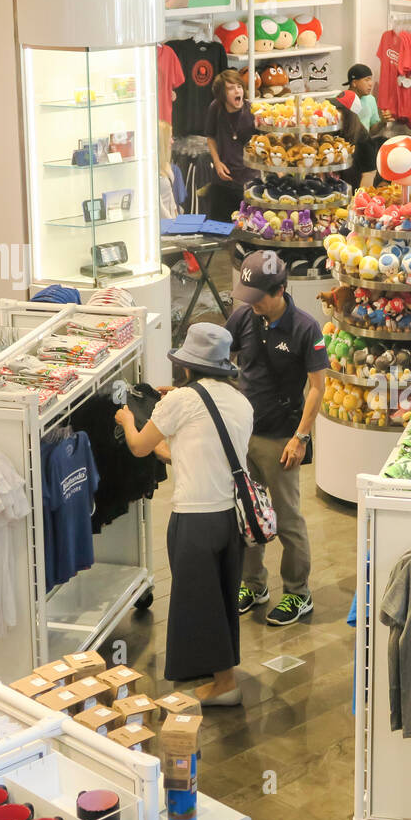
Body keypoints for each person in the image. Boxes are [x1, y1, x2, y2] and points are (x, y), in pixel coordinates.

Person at [114, 323, 253, 703]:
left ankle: (225, 685)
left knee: (197, 600)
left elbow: (142, 448)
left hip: (194, 518)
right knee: (220, 597)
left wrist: (128, 420)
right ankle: (216, 672)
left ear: (187, 367)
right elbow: (191, 451)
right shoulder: (241, 402)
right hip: (231, 517)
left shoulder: (179, 402)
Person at [226, 252, 328, 626]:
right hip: (242, 435)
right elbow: (223, 360)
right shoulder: (243, 317)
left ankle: (298, 593)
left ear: (281, 290)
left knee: (286, 519)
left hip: (281, 438)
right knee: (247, 513)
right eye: (247, 295)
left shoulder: (305, 327)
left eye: (258, 296)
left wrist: (301, 437)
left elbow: (317, 387)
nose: (251, 303)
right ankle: (254, 585)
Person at [202, 69, 258, 221]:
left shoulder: (252, 111)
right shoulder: (216, 108)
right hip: (222, 181)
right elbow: (210, 136)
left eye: (239, 86)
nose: (237, 90)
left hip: (248, 181)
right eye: (231, 88)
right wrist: (217, 163)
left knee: (246, 229)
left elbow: (263, 143)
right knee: (218, 228)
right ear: (222, 94)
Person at [343, 63, 389, 130]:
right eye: (367, 80)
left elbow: (372, 130)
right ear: (354, 83)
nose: (371, 84)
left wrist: (383, 122)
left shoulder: (370, 99)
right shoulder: (340, 99)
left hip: (365, 140)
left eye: (371, 80)